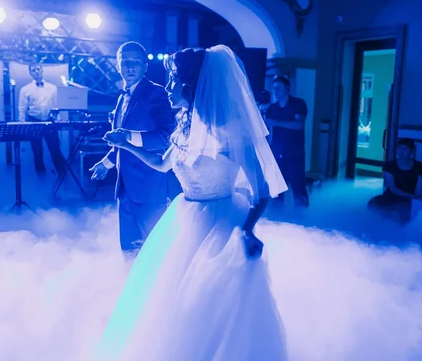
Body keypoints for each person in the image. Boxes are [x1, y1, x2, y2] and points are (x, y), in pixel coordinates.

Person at [94, 45, 289, 360]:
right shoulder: (184, 126)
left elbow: (262, 191)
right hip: (184, 218)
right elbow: (161, 164)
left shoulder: (230, 132)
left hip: (222, 222)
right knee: (170, 300)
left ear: (192, 85)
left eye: (173, 80)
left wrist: (248, 230)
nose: (168, 87)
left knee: (210, 306)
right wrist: (124, 144)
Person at [89, 41, 177, 252]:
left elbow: (167, 138)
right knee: (128, 249)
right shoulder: (122, 97)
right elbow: (120, 143)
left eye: (135, 62)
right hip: (124, 188)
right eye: (125, 62)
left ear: (145, 66)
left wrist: (128, 135)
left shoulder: (158, 94)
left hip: (150, 187)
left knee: (153, 251)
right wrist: (105, 163)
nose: (130, 67)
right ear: (118, 65)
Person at [265, 75, 309, 208]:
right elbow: (267, 130)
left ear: (287, 88)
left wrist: (275, 122)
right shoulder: (271, 108)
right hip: (277, 154)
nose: (275, 91)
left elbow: (299, 124)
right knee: (277, 190)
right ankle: (276, 219)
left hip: (294, 154)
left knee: (298, 187)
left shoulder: (298, 104)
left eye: (278, 88)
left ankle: (304, 219)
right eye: (273, 88)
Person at [18, 62, 66, 176]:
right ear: (30, 73)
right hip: (34, 121)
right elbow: (22, 108)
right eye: (34, 70)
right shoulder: (25, 89)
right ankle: (40, 174)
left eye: (38, 69)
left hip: (50, 121)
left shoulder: (52, 88)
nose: (37, 71)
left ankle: (62, 173)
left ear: (42, 70)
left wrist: (58, 119)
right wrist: (22, 124)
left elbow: (56, 105)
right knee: (37, 150)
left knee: (55, 148)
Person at [368, 138, 422, 221]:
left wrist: (419, 195)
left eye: (405, 149)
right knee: (373, 204)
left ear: (411, 151)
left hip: (409, 199)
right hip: (392, 197)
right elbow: (393, 189)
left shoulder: (419, 166)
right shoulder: (389, 166)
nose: (401, 151)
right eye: (399, 148)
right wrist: (411, 196)